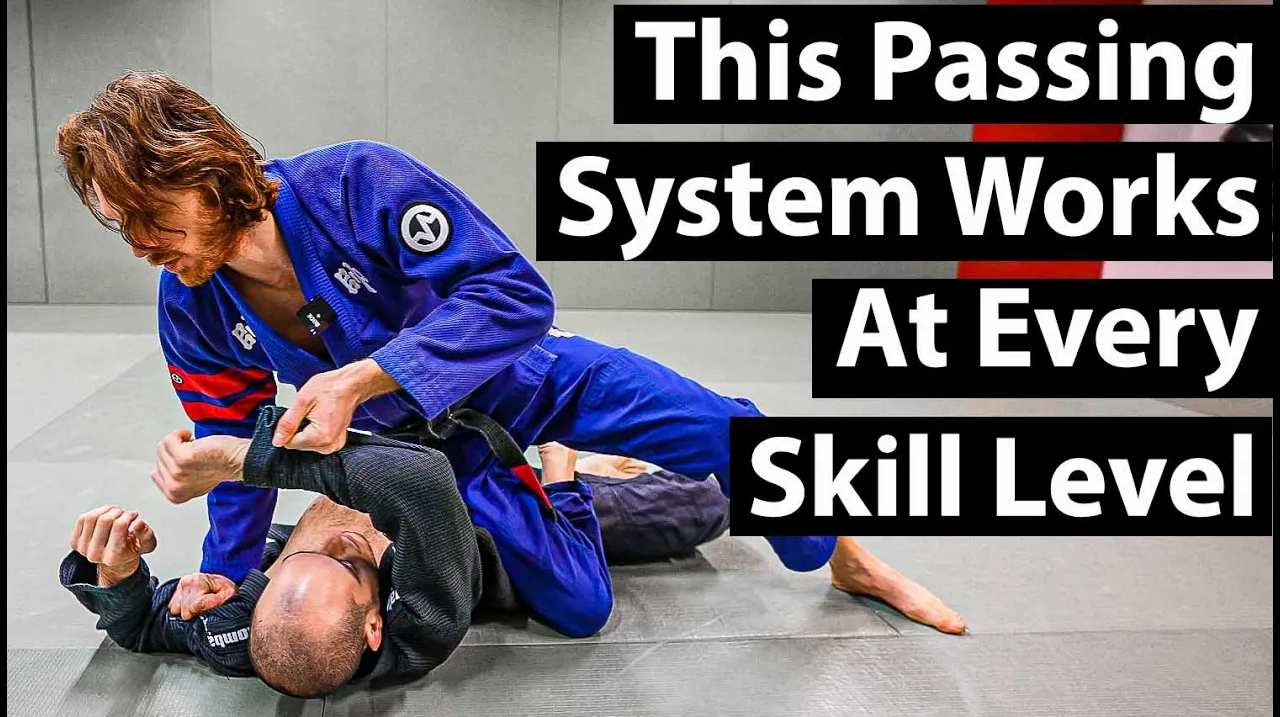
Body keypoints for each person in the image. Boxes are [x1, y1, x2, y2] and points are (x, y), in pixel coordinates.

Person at [56, 71, 965, 635]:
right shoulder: (191, 305)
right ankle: (568, 479)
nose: (140, 245)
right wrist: (225, 570)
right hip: (438, 450)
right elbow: (233, 442)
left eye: (150, 215)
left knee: (729, 433)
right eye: (120, 225)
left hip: (529, 379)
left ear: (203, 172)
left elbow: (516, 295)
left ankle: (841, 552)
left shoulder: (356, 183)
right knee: (579, 610)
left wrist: (362, 378)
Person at [62, 407, 732, 698]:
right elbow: (421, 479)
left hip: (410, 456)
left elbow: (141, 628)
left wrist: (119, 572)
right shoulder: (424, 618)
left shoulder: (239, 630)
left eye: (298, 557)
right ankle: (567, 473)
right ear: (375, 623)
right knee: (707, 503)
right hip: (505, 528)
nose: (340, 540)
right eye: (350, 566)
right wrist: (247, 460)